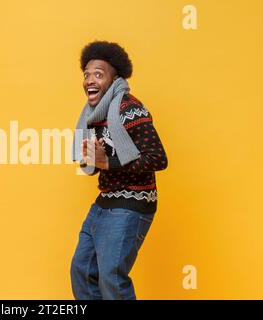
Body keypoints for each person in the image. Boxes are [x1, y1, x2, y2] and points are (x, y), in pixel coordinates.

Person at [70, 40, 168, 300]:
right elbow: (94, 164)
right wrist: (91, 158)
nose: (90, 80)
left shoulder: (130, 108)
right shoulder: (92, 115)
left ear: (115, 79)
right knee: (82, 270)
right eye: (87, 74)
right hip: (105, 202)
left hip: (131, 205)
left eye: (98, 74)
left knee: (112, 279)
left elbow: (158, 158)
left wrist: (108, 162)